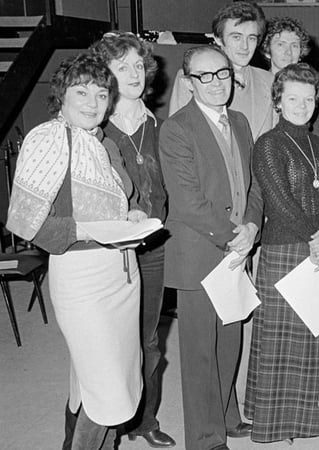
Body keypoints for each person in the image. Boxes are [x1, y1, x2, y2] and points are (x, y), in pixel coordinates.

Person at [6, 52, 144, 450]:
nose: (92, 102)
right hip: (81, 275)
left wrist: (132, 215)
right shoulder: (47, 139)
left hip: (122, 272)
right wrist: (87, 229)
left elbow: (120, 200)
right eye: (81, 92)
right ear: (61, 96)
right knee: (108, 390)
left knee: (98, 379)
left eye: (101, 94)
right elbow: (25, 222)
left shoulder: (105, 143)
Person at [159, 45, 263, 450]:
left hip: (236, 248)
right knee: (201, 351)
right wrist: (233, 235)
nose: (216, 82)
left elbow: (253, 184)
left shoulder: (239, 121)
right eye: (204, 76)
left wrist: (251, 224)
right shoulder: (177, 128)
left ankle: (226, 416)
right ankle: (204, 438)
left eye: (221, 73)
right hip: (200, 252)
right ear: (189, 82)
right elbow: (187, 201)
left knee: (229, 340)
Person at [244, 63, 319, 443]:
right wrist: (313, 237)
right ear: (278, 102)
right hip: (286, 251)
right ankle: (281, 423)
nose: (302, 106)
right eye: (293, 99)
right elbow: (279, 201)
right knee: (287, 343)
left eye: (308, 99)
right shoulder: (269, 144)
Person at [91, 31, 174, 448]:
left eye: (138, 65)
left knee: (149, 339)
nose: (133, 74)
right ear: (105, 74)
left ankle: (145, 420)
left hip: (153, 248)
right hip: (111, 252)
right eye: (121, 67)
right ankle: (108, 422)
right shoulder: (95, 128)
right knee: (109, 341)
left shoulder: (160, 126)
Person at [167, 1, 273, 142]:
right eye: (236, 37)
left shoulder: (269, 80)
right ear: (218, 39)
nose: (245, 46)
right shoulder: (193, 78)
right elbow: (178, 136)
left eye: (251, 38)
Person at [263, 16, 319, 141]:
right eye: (281, 45)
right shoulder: (255, 87)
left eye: (294, 46)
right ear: (267, 51)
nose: (288, 52)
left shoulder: (311, 90)